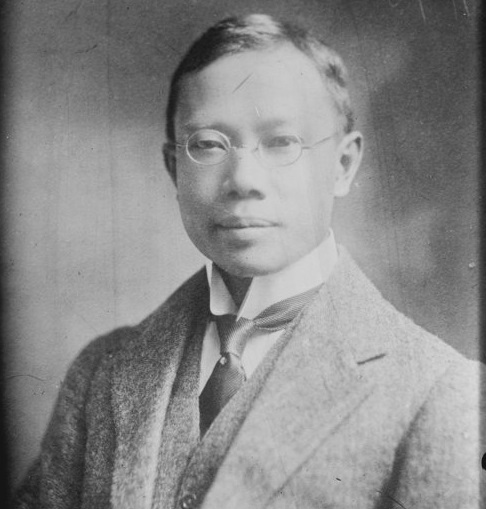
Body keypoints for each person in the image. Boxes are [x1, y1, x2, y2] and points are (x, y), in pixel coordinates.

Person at [14, 13, 483, 509]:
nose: (243, 180)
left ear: (343, 166)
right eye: (208, 144)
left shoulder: (438, 392)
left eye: (282, 143)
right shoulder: (100, 371)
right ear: (174, 169)